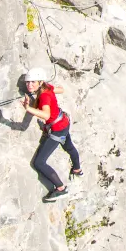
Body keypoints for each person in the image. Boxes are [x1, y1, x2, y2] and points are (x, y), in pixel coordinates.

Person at [22, 67, 82, 202]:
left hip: (57, 129)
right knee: (69, 147)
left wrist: (28, 108)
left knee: (39, 162)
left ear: (40, 82)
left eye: (33, 82)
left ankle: (61, 188)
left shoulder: (43, 96)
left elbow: (46, 114)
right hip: (63, 122)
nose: (29, 85)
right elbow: (60, 90)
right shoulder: (46, 87)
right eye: (28, 82)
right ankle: (77, 169)